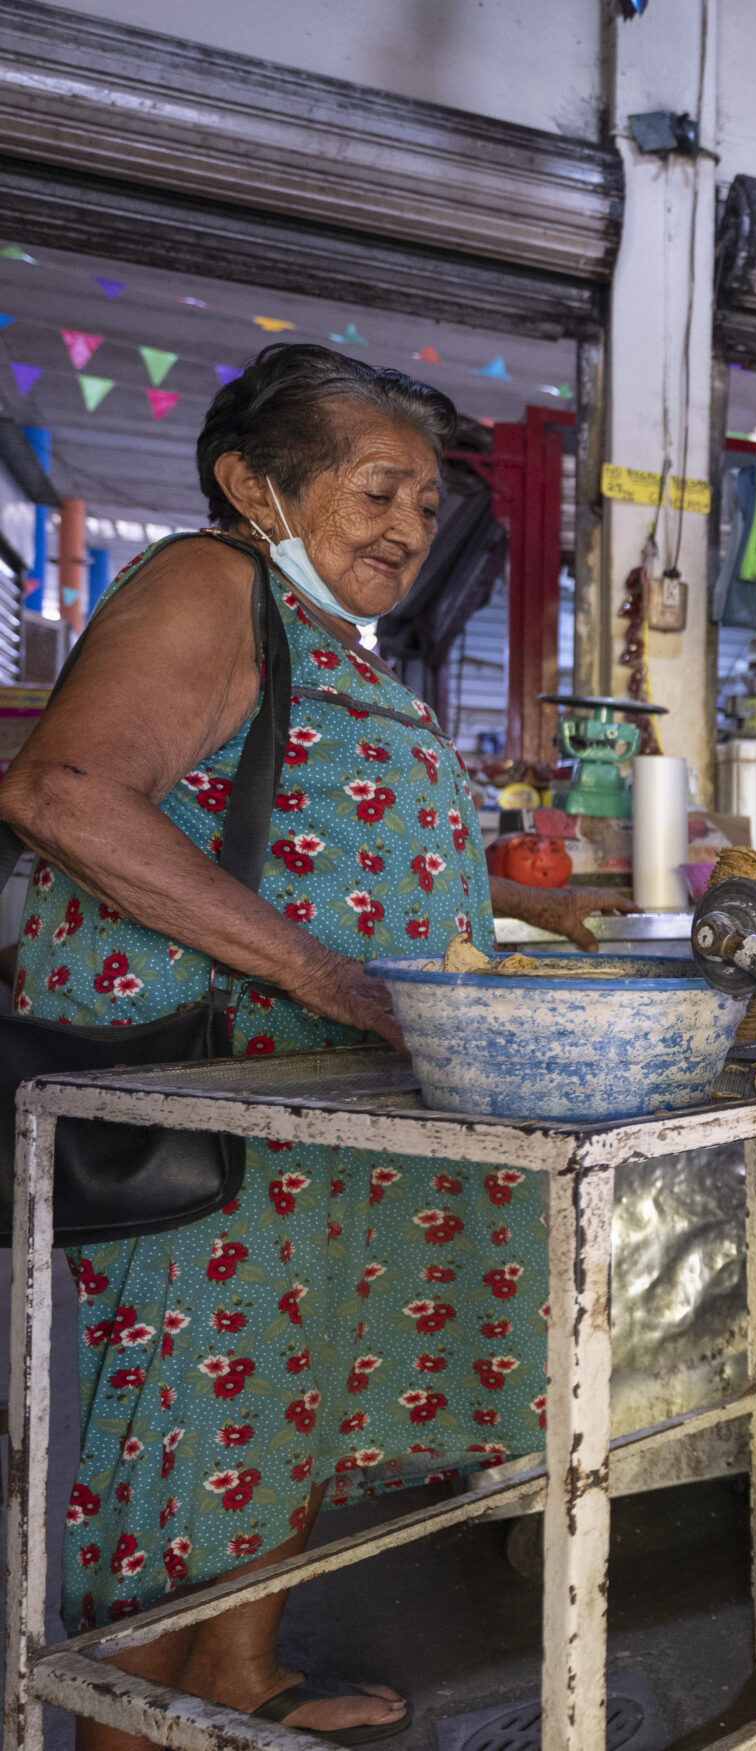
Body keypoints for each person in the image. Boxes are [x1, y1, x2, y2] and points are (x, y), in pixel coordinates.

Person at [0, 345, 630, 1746]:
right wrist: (339, 982)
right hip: (203, 1094)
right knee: (185, 1430)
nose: (409, 525)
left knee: (276, 1402)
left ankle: (238, 1678)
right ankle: (123, 1731)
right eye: (377, 489)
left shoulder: (312, 627)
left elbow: (299, 825)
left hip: (304, 1104)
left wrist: (513, 898)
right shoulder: (205, 583)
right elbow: (66, 796)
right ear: (255, 484)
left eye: (424, 500)